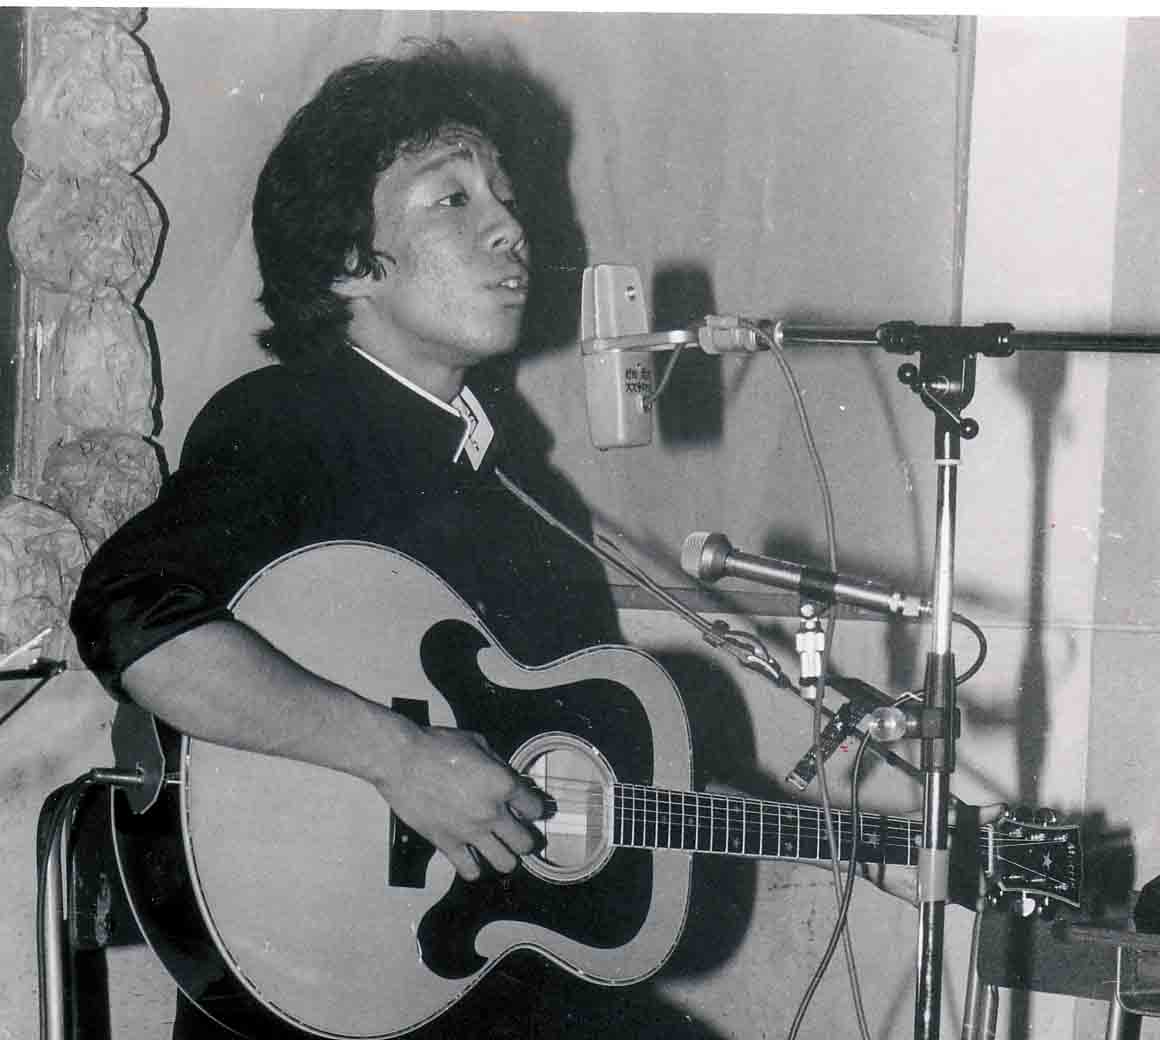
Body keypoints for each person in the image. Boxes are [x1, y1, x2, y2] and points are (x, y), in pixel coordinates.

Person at [70, 40, 712, 1040]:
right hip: (312, 1004)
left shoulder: (527, 499)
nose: (511, 226)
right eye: (452, 197)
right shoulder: (291, 420)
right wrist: (399, 757)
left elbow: (560, 813)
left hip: (473, 989)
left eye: (505, 195)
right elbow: (131, 618)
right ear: (348, 266)